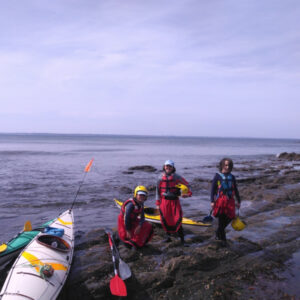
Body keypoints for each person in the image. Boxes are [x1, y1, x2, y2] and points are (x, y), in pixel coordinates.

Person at [156, 160, 192, 246]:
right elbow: (157, 191)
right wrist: (158, 203)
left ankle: (182, 240)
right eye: (166, 166)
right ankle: (168, 237)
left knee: (178, 219)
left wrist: (187, 194)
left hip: (174, 202)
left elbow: (188, 185)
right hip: (164, 202)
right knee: (165, 220)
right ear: (164, 167)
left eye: (170, 166)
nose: (168, 168)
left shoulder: (177, 177)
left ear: (173, 168)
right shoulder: (160, 178)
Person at [211, 158, 241, 247]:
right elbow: (212, 190)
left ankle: (218, 232)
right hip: (220, 201)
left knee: (231, 217)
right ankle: (223, 239)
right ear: (222, 165)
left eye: (229, 165)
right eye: (225, 165)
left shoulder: (232, 177)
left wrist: (238, 200)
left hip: (230, 201)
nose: (227, 167)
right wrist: (212, 201)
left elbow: (235, 189)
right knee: (221, 219)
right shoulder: (217, 176)